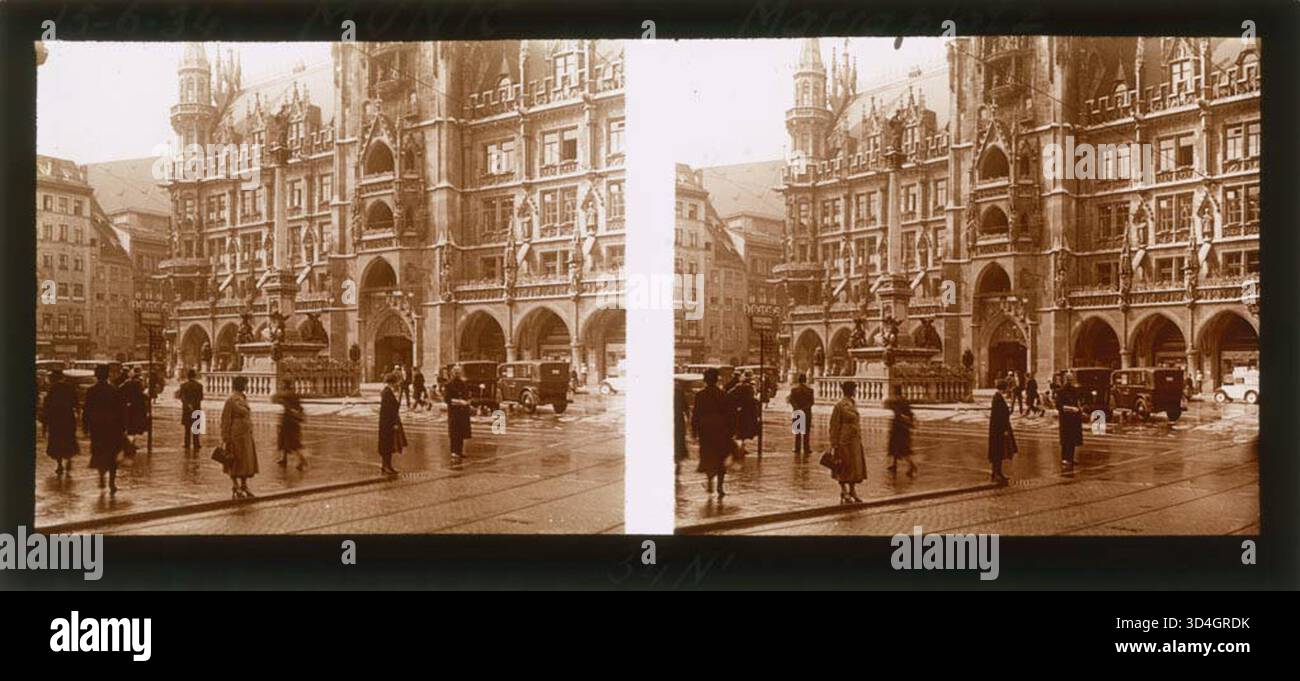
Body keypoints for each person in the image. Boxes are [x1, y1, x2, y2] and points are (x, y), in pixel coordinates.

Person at [83, 364, 126, 495]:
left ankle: (102, 476)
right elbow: (121, 410)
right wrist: (123, 426)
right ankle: (112, 482)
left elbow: (87, 410)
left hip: (97, 428)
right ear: (108, 376)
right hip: (112, 428)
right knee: (112, 455)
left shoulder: (91, 391)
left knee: (99, 453)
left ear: (96, 376)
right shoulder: (114, 390)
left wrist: (86, 426)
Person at [692, 368, 733, 498]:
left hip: (706, 431)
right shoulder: (723, 394)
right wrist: (730, 430)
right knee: (721, 457)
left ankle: (710, 481)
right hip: (721, 430)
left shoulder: (700, 395)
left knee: (708, 456)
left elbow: (696, 414)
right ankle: (720, 486)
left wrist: (694, 430)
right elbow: (729, 414)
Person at [829, 381, 868, 503]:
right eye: (854, 389)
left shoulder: (852, 403)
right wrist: (834, 443)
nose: (855, 392)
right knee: (843, 466)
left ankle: (852, 490)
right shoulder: (840, 405)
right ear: (849, 390)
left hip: (854, 440)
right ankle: (844, 490)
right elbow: (834, 426)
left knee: (854, 466)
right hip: (844, 440)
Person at [221, 375, 259, 498]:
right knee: (235, 460)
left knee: (246, 460)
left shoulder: (243, 397)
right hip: (235, 434)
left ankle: (244, 484)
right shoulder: (231, 400)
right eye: (245, 384)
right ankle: (235, 485)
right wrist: (225, 436)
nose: (247, 386)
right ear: (240, 385)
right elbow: (225, 419)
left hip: (246, 434)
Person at [40, 368, 79, 476]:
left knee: (57, 442)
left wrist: (45, 422)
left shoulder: (52, 389)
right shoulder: (69, 387)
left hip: (56, 419)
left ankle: (60, 464)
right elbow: (75, 402)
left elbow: (47, 406)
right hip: (67, 418)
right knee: (68, 439)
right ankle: (68, 459)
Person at [272, 379, 307, 471]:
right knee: (284, 440)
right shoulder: (292, 394)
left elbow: (273, 398)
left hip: (289, 420)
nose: (280, 386)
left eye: (282, 384)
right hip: (291, 419)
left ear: (285, 385)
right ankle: (284, 458)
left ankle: (301, 460)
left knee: (291, 442)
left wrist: (280, 396)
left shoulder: (287, 394)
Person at [988, 378, 1016, 484]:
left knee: (998, 452)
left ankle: (997, 473)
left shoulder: (998, 397)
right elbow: (999, 416)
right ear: (1004, 388)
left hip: (997, 429)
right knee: (998, 452)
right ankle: (996, 474)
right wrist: (1004, 430)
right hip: (999, 430)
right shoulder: (998, 399)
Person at [885, 385, 918, 477]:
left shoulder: (897, 401)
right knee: (896, 447)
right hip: (901, 427)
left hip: (899, 427)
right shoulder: (903, 400)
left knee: (901, 448)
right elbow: (909, 413)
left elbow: (888, 405)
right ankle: (894, 464)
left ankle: (912, 466)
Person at [378, 372, 407, 474]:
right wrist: (393, 424)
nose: (397, 385)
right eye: (396, 383)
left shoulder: (388, 392)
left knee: (390, 444)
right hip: (387, 423)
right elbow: (387, 411)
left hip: (388, 422)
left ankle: (388, 465)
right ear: (392, 382)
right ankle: (385, 466)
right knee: (387, 444)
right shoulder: (387, 393)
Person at [1056, 372, 1084, 472]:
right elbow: (1059, 405)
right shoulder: (1061, 391)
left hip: (1074, 418)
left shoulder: (1074, 390)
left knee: (1072, 439)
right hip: (1066, 418)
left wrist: (1080, 409)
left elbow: (1077, 401)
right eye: (1068, 379)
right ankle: (1065, 458)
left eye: (1071, 379)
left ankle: (1070, 458)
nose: (1070, 381)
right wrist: (1071, 409)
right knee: (1066, 439)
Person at [443, 364, 472, 460]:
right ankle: (454, 451)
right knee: (454, 431)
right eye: (456, 372)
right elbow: (447, 399)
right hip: (454, 411)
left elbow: (467, 395)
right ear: (452, 373)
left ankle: (459, 451)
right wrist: (459, 401)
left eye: (459, 372)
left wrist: (468, 401)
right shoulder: (448, 384)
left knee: (461, 431)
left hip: (463, 411)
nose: (457, 374)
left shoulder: (463, 383)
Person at [728, 371, 760, 456]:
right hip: (747, 411)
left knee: (742, 430)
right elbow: (749, 399)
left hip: (744, 410)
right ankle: (739, 448)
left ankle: (741, 447)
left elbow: (729, 394)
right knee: (743, 430)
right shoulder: (746, 387)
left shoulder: (739, 386)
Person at [121, 368, 149, 457]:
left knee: (130, 428)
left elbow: (119, 391)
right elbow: (140, 395)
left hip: (128, 408)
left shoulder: (126, 383)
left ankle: (130, 444)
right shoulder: (136, 384)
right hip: (136, 409)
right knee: (132, 429)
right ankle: (129, 446)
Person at [176, 369, 204, 451]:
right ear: (194, 376)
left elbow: (182, 397)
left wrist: (188, 404)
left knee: (187, 428)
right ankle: (196, 443)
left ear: (188, 376)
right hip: (196, 408)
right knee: (196, 428)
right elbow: (200, 397)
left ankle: (187, 443)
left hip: (187, 409)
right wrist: (194, 404)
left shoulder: (183, 385)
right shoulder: (199, 386)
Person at [787, 373, 815, 457]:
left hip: (797, 411)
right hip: (807, 412)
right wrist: (804, 408)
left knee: (797, 432)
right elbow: (812, 402)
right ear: (805, 380)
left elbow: (791, 400)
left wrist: (797, 408)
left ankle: (797, 447)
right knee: (806, 431)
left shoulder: (794, 390)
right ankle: (806, 448)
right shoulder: (810, 390)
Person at [673, 380, 689, 474]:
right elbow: (686, 408)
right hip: (678, 421)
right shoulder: (679, 392)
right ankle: (677, 461)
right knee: (678, 441)